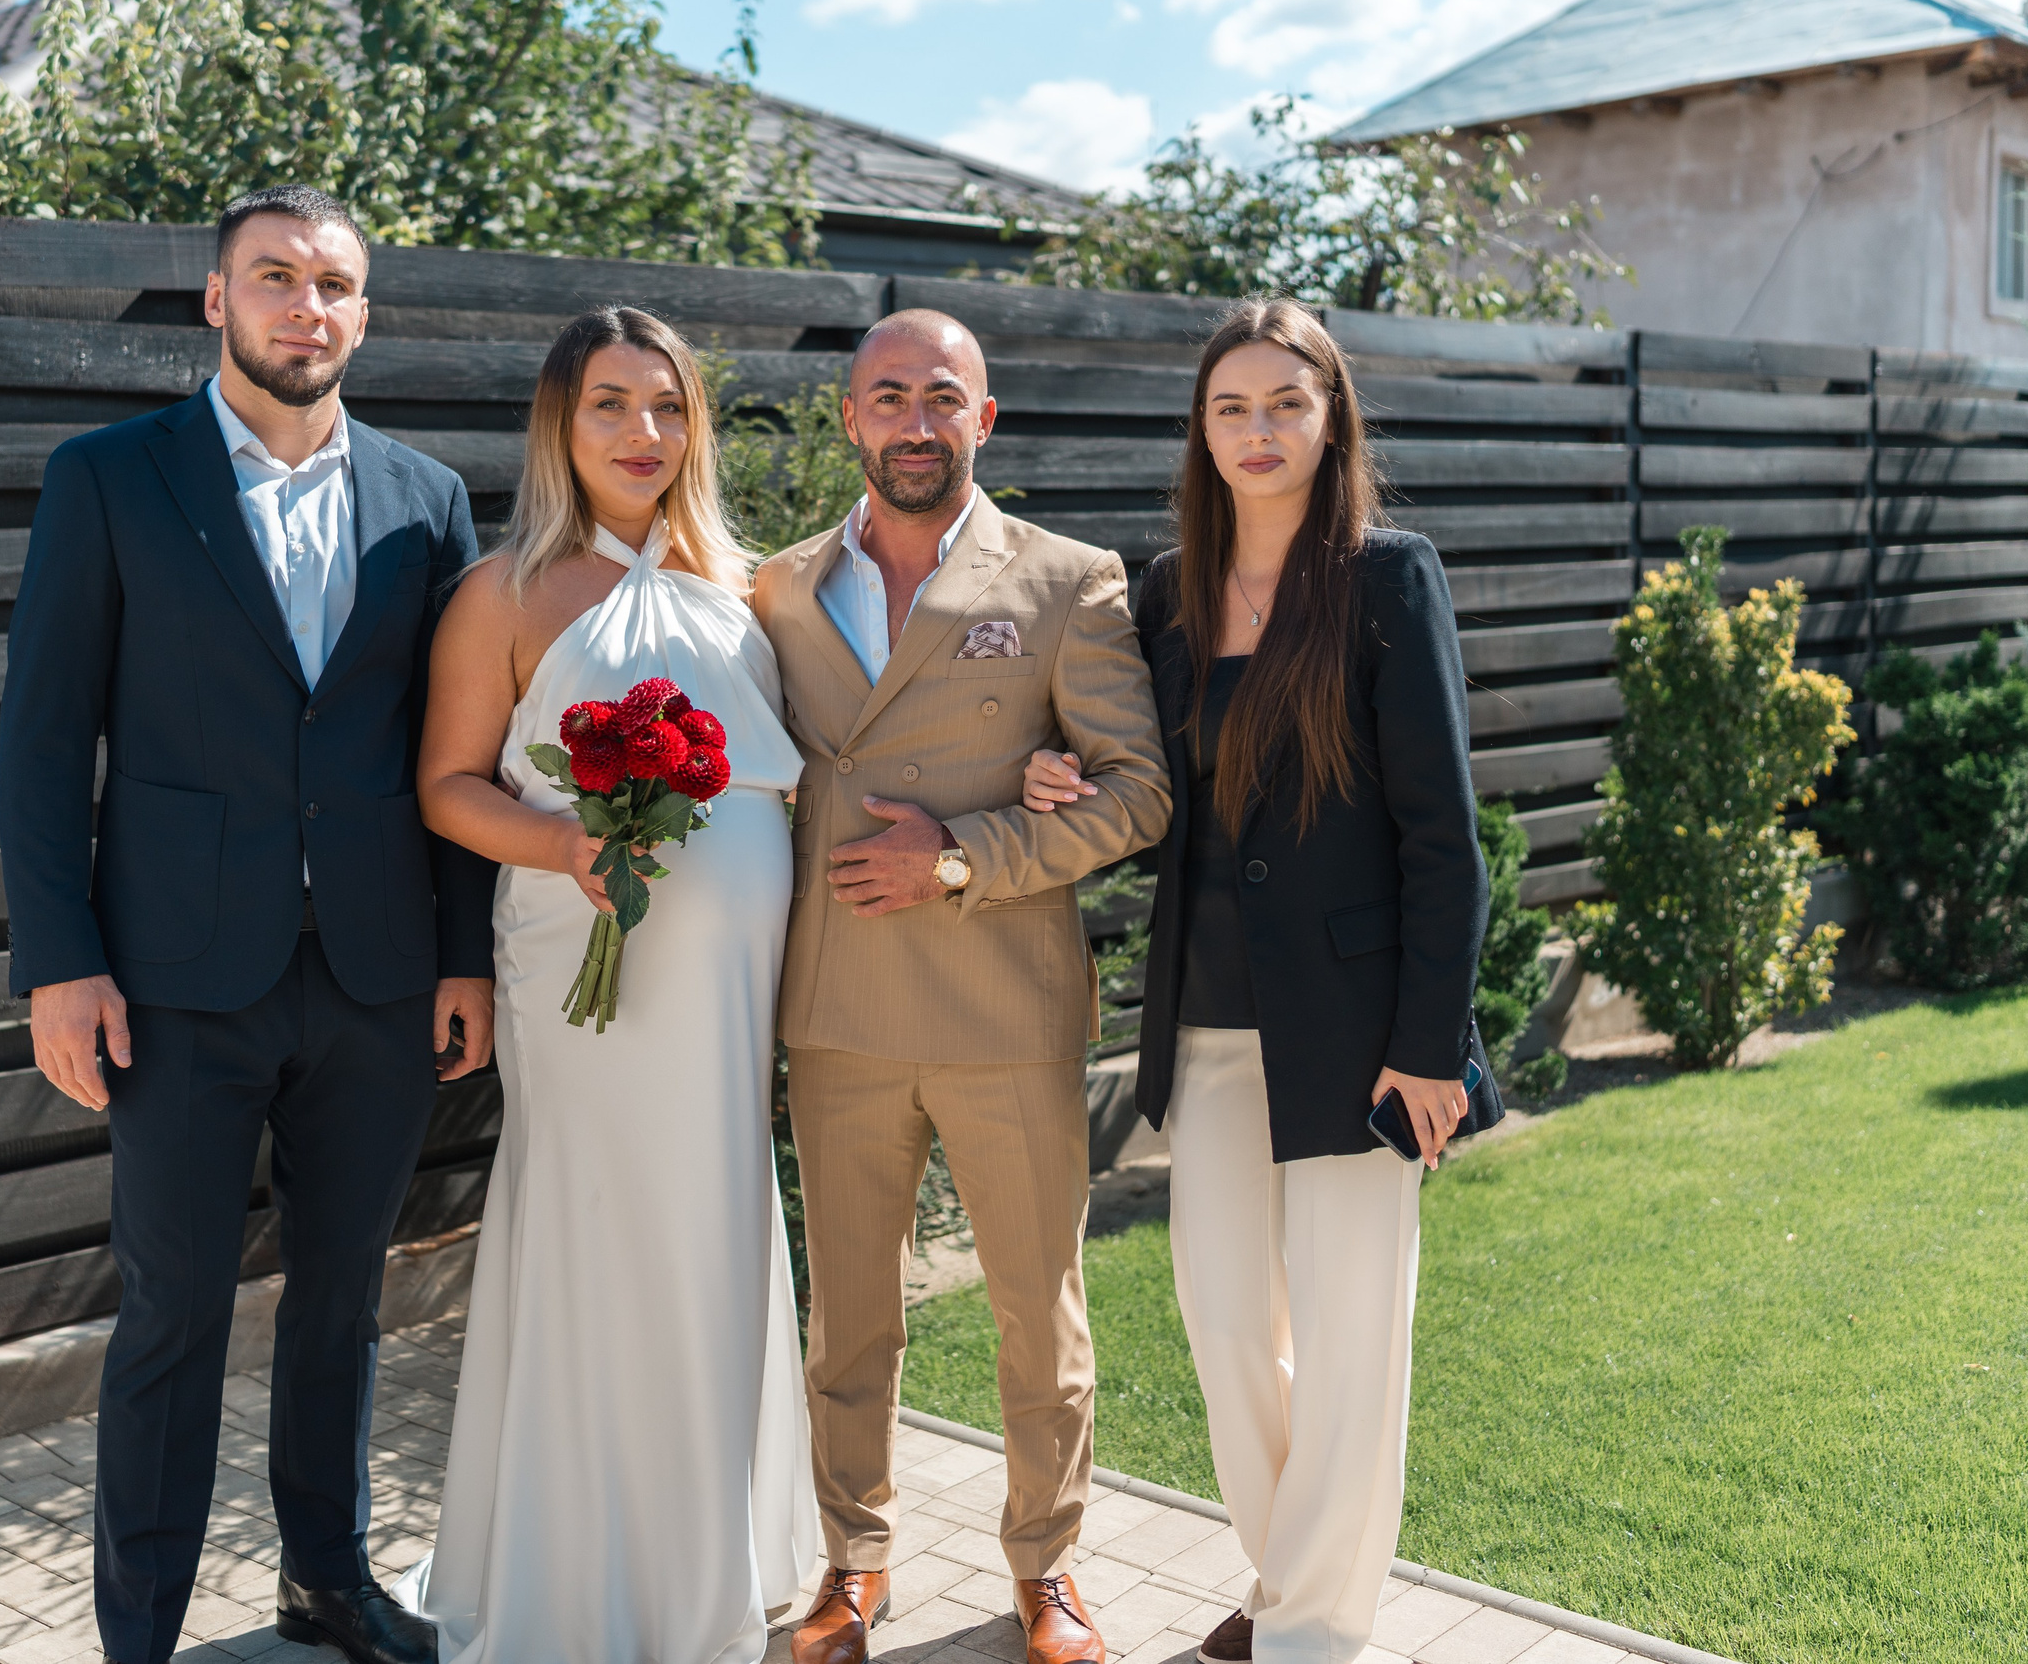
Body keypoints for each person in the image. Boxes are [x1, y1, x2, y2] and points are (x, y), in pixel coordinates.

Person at [0, 185, 492, 1664]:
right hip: (170, 982)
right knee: (172, 1320)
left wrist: (461, 949)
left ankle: (324, 1577)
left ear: (363, 313)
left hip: (376, 980)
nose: (306, 307)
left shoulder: (428, 500)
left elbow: (450, 752)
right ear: (216, 301)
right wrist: (59, 960)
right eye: (273, 278)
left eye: (334, 284)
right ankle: (137, 1631)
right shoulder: (109, 479)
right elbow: (41, 737)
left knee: (342, 1302)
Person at [1032, 298, 1487, 1663]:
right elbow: (1150, 786)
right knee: (1228, 1326)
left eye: (1286, 403)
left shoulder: (1387, 578)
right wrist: (1062, 776)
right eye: (1232, 407)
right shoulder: (1164, 588)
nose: (1259, 431)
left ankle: (1310, 1633)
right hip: (1208, 1023)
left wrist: (1429, 1045)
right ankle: (1288, 1573)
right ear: (1202, 430)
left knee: (1353, 1349)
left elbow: (1442, 835)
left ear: (1331, 414)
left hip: (1360, 1034)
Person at [751, 310, 1172, 1664]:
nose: (916, 420)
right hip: (840, 1006)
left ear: (984, 422)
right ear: (850, 419)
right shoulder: (777, 587)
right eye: (889, 396)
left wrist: (964, 853)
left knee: (1035, 1311)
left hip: (1001, 998)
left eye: (944, 397)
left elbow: (1138, 795)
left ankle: (1047, 1573)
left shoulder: (1067, 580)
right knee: (849, 1316)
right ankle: (853, 1563)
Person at [403, 306, 820, 1664]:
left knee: (714, 1229)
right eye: (609, 407)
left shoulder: (752, 586)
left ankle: (717, 1552)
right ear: (558, 426)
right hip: (580, 970)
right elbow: (448, 785)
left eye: (666, 406)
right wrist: (564, 841)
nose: (643, 434)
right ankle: (578, 1572)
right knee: (596, 1227)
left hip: (731, 986)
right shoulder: (506, 590)